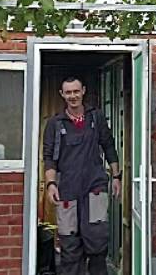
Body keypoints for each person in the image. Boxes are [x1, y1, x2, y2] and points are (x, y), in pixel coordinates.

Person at [42, 76, 122, 275]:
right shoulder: (54, 124)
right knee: (69, 244)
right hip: (67, 190)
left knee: (97, 242)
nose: (73, 96)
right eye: (68, 92)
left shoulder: (96, 117)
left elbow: (109, 146)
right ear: (62, 94)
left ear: (83, 91)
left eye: (76, 91)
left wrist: (116, 176)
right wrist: (51, 184)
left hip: (95, 188)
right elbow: (49, 157)